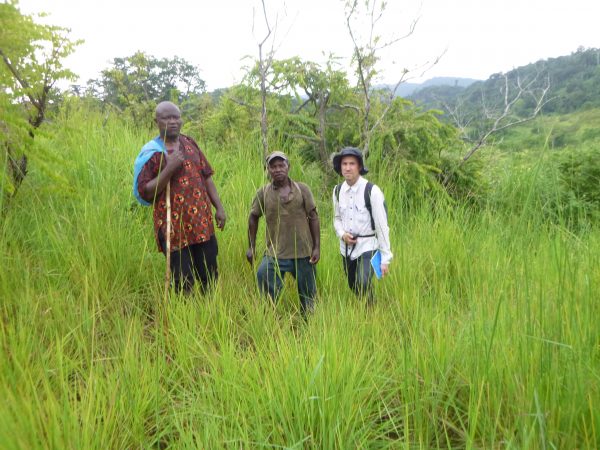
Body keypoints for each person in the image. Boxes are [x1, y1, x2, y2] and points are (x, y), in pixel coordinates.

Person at [133, 101, 226, 294]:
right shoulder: (153, 153)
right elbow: (145, 191)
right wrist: (169, 168)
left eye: (176, 117)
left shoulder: (189, 143)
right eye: (167, 118)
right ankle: (186, 317)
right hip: (173, 227)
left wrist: (219, 207)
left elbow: (206, 176)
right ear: (156, 121)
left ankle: (210, 313)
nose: (173, 122)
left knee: (209, 273)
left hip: (201, 222)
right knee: (183, 280)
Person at [246, 151, 320, 315]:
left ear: (288, 167)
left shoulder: (303, 189)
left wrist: (316, 248)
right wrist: (251, 246)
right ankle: (271, 315)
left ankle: (309, 327)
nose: (278, 169)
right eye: (273, 166)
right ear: (268, 169)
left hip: (303, 253)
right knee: (263, 273)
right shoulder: (263, 193)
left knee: (308, 297)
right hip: (276, 253)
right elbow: (253, 217)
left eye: (281, 165)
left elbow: (314, 217)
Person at [332, 147, 392, 304]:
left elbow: (382, 225)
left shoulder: (372, 191)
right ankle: (369, 307)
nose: (348, 167)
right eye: (344, 163)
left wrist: (385, 257)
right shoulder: (337, 191)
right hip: (346, 248)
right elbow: (337, 219)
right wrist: (342, 234)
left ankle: (371, 310)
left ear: (359, 167)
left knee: (363, 282)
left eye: (352, 163)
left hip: (368, 246)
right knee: (353, 285)